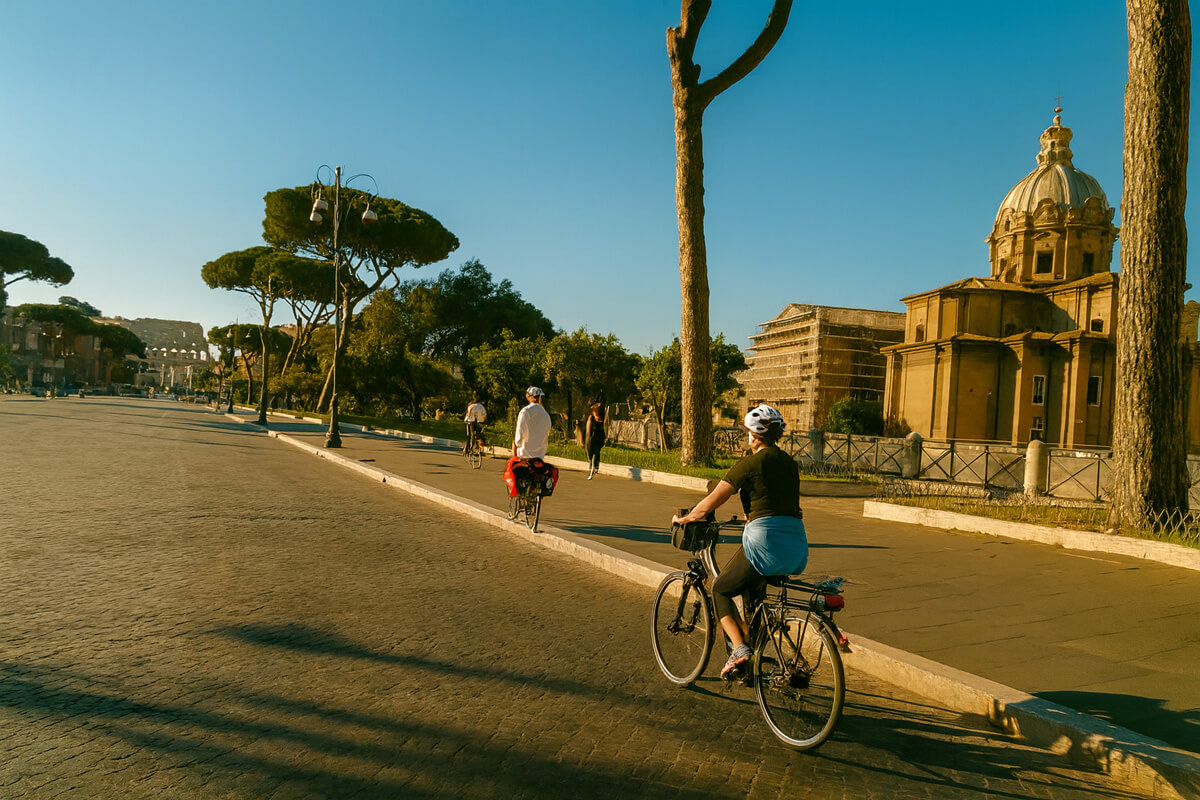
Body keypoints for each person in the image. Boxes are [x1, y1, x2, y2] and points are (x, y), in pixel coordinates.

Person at [671, 403, 807, 681]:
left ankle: (740, 649)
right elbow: (775, 500)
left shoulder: (750, 463)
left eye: (747, 432)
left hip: (764, 542)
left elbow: (715, 498)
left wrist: (688, 518)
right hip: (796, 544)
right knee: (752, 596)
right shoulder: (790, 464)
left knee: (720, 588)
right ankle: (751, 663)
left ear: (754, 436)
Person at [504, 386, 558, 497]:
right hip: (539, 455)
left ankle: (518, 495)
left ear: (528, 396)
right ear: (540, 397)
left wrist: (516, 445)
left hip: (524, 453)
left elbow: (519, 434)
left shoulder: (525, 412)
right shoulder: (546, 415)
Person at [584, 401, 606, 480]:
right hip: (594, 437)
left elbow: (588, 430)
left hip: (594, 437)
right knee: (593, 452)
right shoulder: (593, 418)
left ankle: (594, 466)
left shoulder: (595, 418)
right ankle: (594, 466)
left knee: (593, 451)